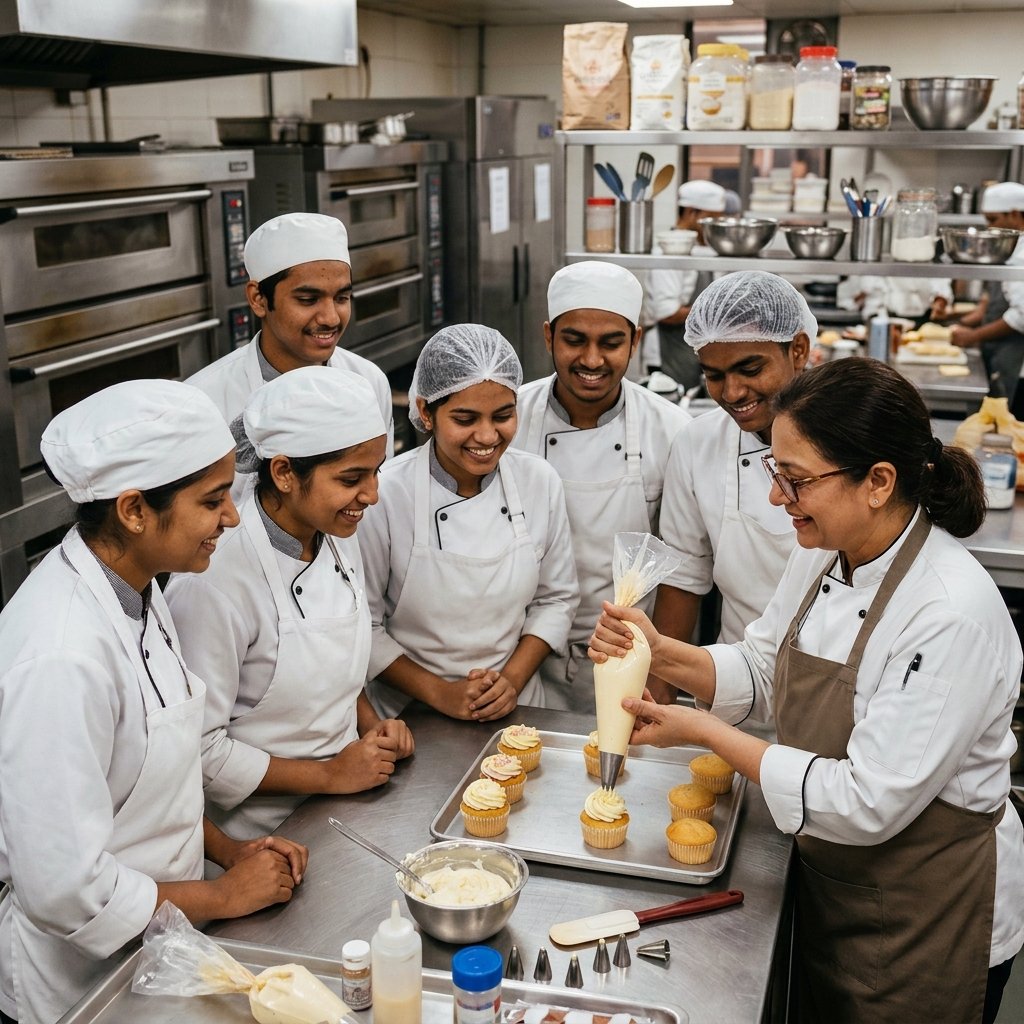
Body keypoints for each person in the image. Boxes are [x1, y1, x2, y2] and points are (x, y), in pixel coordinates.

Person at [590, 357, 1024, 1023]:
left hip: (927, 916)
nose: (775, 499)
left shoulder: (948, 614)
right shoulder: (826, 549)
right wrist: (659, 652)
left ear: (878, 482)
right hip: (834, 881)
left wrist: (704, 732)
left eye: (794, 480)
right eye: (774, 473)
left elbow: (866, 801)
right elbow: (765, 669)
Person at [0, 381, 308, 1023]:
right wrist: (221, 897)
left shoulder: (138, 590)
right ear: (135, 510)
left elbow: (145, 787)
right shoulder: (62, 653)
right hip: (80, 988)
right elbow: (63, 890)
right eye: (212, 500)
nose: (231, 517)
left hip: (163, 950)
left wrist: (227, 850)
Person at [165, 366, 413, 839]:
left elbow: (334, 668)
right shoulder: (214, 582)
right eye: (351, 478)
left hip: (344, 808)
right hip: (261, 835)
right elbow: (200, 751)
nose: (373, 495)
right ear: (283, 472)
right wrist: (330, 775)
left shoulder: (337, 534)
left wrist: (370, 726)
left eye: (377, 471)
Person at [361, 324, 578, 722]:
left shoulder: (538, 480)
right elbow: (364, 627)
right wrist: (441, 693)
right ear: (426, 412)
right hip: (412, 714)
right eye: (465, 418)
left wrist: (510, 681)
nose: (486, 435)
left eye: (503, 415)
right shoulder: (385, 494)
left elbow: (556, 599)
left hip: (518, 707)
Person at [512, 263, 691, 711]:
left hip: (629, 659)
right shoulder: (507, 418)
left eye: (611, 343)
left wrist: (663, 673)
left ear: (635, 339)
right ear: (549, 336)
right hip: (518, 660)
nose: (592, 360)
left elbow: (684, 569)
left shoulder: (671, 431)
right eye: (575, 340)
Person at [651, 272, 811, 700]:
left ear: (798, 350)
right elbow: (683, 578)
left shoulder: (855, 435)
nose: (733, 392)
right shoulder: (699, 443)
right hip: (736, 685)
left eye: (750, 368)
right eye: (714, 375)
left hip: (838, 689)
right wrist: (660, 692)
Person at [186, 212, 395, 498]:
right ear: (258, 299)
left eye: (342, 298)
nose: (330, 318)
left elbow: (376, 498)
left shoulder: (368, 381)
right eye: (308, 300)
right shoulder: (203, 401)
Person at [640, 179, 726, 386]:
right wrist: (720, 312)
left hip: (695, 353)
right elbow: (667, 313)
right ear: (691, 212)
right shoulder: (668, 251)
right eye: (710, 218)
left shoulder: (705, 248)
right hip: (668, 353)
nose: (715, 225)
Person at [952, 181, 1024, 407]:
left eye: (993, 220)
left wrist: (973, 336)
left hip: (1014, 353)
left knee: (1005, 419)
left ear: (1014, 214)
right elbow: (990, 302)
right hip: (996, 348)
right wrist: (955, 320)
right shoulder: (1011, 246)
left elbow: (1021, 317)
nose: (989, 227)